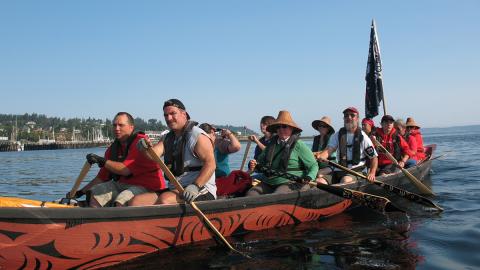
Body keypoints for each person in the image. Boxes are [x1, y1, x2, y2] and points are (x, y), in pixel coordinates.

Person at [130, 99, 217, 205]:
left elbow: (211, 164)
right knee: (136, 201)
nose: (169, 118)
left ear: (183, 114)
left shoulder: (197, 136)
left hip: (201, 189)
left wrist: (195, 185)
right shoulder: (167, 138)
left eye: (172, 113)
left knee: (165, 199)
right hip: (176, 189)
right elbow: (153, 155)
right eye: (166, 115)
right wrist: (145, 148)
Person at [74, 112, 167, 207]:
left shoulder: (140, 142)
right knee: (96, 193)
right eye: (114, 125)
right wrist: (80, 192)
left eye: (121, 125)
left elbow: (125, 170)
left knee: (122, 199)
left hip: (148, 187)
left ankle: (120, 220)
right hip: (122, 185)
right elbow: (101, 178)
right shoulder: (112, 149)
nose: (116, 128)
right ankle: (95, 220)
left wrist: (102, 161)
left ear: (131, 127)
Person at [246, 110, 318, 196]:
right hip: (269, 182)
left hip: (291, 182)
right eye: (278, 127)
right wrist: (253, 164)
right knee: (251, 193)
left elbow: (313, 165)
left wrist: (309, 177)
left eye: (284, 126)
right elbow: (259, 162)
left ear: (291, 129)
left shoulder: (299, 145)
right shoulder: (271, 144)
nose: (281, 129)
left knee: (277, 196)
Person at [314, 107, 378, 184]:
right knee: (319, 181)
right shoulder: (337, 135)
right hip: (339, 169)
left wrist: (372, 173)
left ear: (357, 119)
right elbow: (328, 150)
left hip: (357, 171)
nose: (349, 117)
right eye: (346, 115)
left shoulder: (363, 137)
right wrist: (322, 156)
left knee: (345, 180)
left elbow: (374, 158)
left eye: (352, 115)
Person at [311, 116, 336, 184]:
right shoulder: (316, 139)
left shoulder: (332, 138)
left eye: (324, 126)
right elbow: (311, 152)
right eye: (320, 126)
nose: (321, 127)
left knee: (318, 174)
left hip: (331, 165)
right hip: (318, 165)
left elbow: (329, 152)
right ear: (318, 127)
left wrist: (315, 154)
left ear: (328, 128)